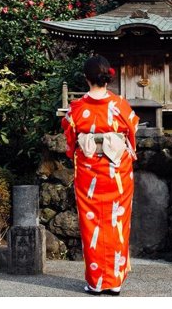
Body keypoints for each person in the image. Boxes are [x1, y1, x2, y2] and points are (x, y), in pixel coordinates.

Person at [61, 55, 140, 296]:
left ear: (86, 78)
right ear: (108, 77)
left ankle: (96, 281)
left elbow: (70, 139)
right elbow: (132, 132)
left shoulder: (76, 108)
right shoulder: (120, 105)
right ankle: (114, 280)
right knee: (117, 222)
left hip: (88, 172)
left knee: (91, 222)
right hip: (117, 171)